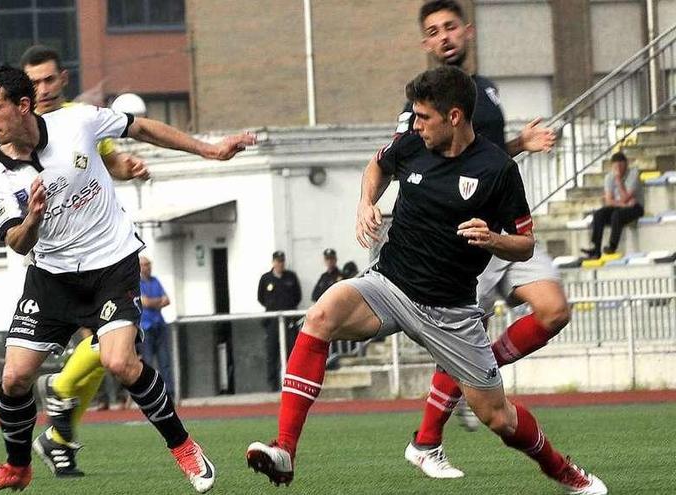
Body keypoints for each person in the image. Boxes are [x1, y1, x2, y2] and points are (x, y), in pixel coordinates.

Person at [246, 66, 607, 495]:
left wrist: (493, 239)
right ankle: (285, 450)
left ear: (454, 116)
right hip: (389, 286)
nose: (415, 124)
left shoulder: (496, 169)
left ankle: (565, 472)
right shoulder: (412, 145)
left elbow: (525, 245)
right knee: (321, 314)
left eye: (423, 117)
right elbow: (376, 165)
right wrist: (366, 203)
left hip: (450, 311)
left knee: (498, 418)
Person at [0, 64, 255, 494]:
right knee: (14, 378)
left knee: (120, 362)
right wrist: (33, 219)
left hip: (111, 264)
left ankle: (185, 447)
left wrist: (209, 151)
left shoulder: (77, 121)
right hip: (52, 277)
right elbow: (18, 243)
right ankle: (16, 468)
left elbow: (141, 129)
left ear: (23, 106)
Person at [398, 1, 574, 479]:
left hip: (505, 229)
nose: (445, 37)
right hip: (461, 242)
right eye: (434, 31)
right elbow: (409, 160)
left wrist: (520, 144)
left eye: (451, 27)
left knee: (554, 310)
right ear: (426, 44)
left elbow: (483, 157)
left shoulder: (485, 92)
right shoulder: (419, 103)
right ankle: (427, 441)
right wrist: (370, 202)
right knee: (458, 340)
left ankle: (481, 370)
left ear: (468, 31)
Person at [17, 44, 148, 478]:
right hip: (54, 265)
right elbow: (1, 180)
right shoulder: (17, 129)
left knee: (110, 344)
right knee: (109, 345)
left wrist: (129, 167)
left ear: (63, 78)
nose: (43, 89)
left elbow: (111, 163)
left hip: (104, 253)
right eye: (33, 82)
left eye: (49, 79)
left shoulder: (83, 117)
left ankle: (59, 430)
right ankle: (60, 407)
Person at [581, 152, 644, 259]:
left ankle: (612, 246)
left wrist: (619, 180)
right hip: (621, 206)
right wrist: (623, 205)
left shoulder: (633, 174)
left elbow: (625, 197)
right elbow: (609, 201)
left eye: (621, 165)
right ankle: (596, 249)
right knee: (598, 214)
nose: (618, 168)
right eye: (616, 166)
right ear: (612, 166)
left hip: (635, 207)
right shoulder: (609, 177)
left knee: (617, 215)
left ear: (626, 164)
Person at [256, 251, 302, 391]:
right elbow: (261, 297)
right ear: (273, 262)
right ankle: (272, 385)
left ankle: (292, 384)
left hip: (289, 321)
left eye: (282, 261)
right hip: (272, 322)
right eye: (277, 261)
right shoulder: (266, 278)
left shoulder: (291, 277)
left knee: (291, 353)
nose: (280, 264)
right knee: (272, 353)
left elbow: (297, 296)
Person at [139, 255, 175, 395]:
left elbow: (167, 300)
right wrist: (157, 302)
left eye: (148, 264)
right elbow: (144, 302)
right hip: (145, 328)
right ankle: (151, 394)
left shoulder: (156, 281)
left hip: (159, 325)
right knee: (148, 363)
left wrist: (152, 302)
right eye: (144, 265)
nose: (147, 267)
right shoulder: (136, 283)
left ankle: (170, 393)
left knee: (165, 362)